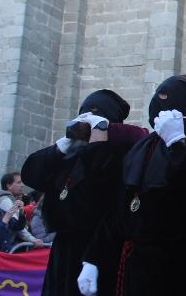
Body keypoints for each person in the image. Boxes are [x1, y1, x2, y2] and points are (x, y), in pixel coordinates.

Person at [79, 74, 186, 296]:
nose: (161, 102)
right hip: (136, 264)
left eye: (169, 96)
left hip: (182, 266)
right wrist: (92, 258)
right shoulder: (140, 148)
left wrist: (178, 148)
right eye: (158, 95)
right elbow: (120, 210)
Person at [21, 89, 143, 296]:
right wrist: (61, 145)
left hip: (98, 246)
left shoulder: (119, 154)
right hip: (63, 247)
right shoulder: (68, 154)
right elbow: (32, 175)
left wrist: (100, 138)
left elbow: (104, 184)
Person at [0, 171, 43, 249]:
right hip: (8, 245)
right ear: (9, 186)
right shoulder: (6, 200)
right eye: (19, 182)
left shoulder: (10, 200)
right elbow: (17, 227)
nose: (22, 185)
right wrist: (33, 240)